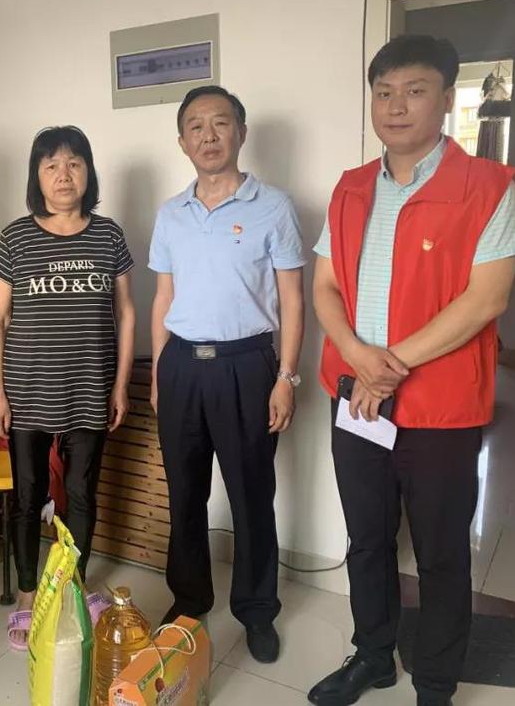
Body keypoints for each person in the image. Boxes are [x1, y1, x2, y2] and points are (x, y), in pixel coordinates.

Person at [309, 35, 515, 706]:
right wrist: (357, 356)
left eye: (414, 91)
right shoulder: (350, 188)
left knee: (440, 551)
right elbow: (325, 287)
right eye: (384, 93)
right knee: (366, 539)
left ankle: (434, 681)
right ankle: (373, 655)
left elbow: (487, 299)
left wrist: (392, 365)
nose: (396, 106)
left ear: (445, 98)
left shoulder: (489, 188)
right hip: (355, 397)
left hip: (441, 406)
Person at [149, 86, 306, 663]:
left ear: (241, 132)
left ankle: (257, 611)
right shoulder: (171, 213)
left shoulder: (274, 207)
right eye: (196, 126)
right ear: (182, 141)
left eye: (220, 123)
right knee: (185, 494)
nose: (208, 135)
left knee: (251, 496)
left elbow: (293, 299)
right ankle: (189, 600)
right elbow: (163, 298)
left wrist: (286, 377)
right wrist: (160, 375)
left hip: (248, 366)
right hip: (181, 366)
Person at [0, 126, 136, 650]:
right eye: (51, 165)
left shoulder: (109, 235)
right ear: (37, 176)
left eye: (74, 163)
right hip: (27, 390)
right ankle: (28, 596)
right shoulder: (15, 237)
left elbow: (126, 313)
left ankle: (72, 585)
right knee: (28, 498)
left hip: (90, 389)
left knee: (81, 495)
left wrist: (120, 386)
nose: (63, 174)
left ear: (88, 171)